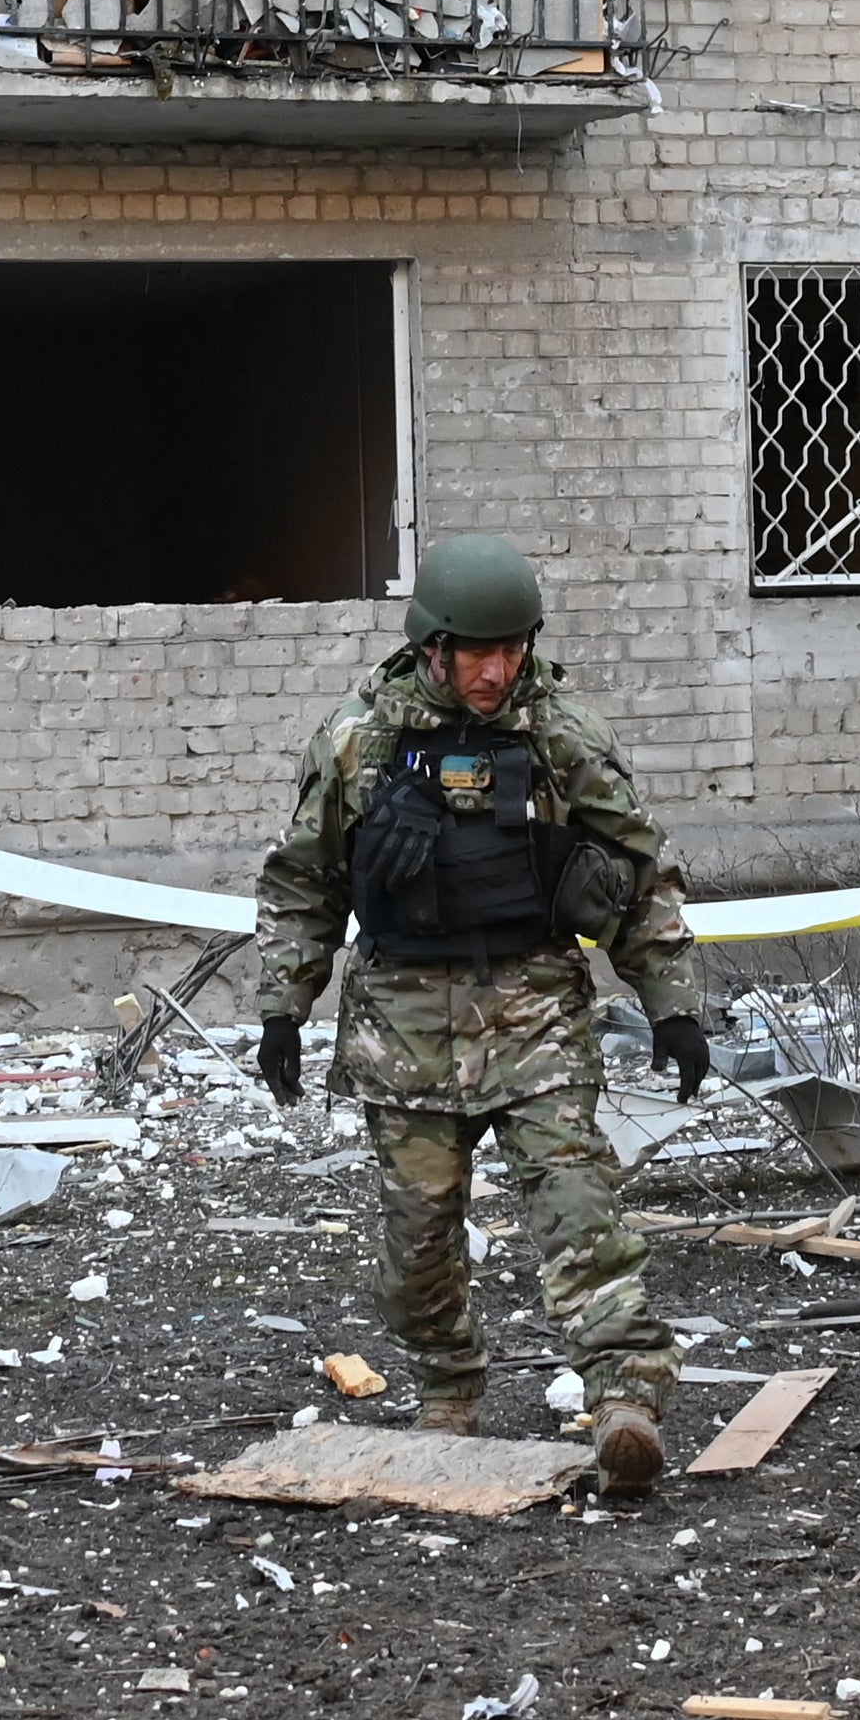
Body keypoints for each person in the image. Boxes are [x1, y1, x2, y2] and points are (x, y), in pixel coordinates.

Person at [253, 537, 716, 1498]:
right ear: (433, 647)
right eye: (476, 652)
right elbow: (304, 879)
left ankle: (627, 1400)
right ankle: (447, 1390)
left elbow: (639, 871)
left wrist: (671, 1004)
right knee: (418, 1243)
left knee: (578, 1211)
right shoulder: (357, 742)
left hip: (537, 1018)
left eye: (510, 649)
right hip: (402, 1033)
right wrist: (284, 1007)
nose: (495, 670)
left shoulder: (560, 736)